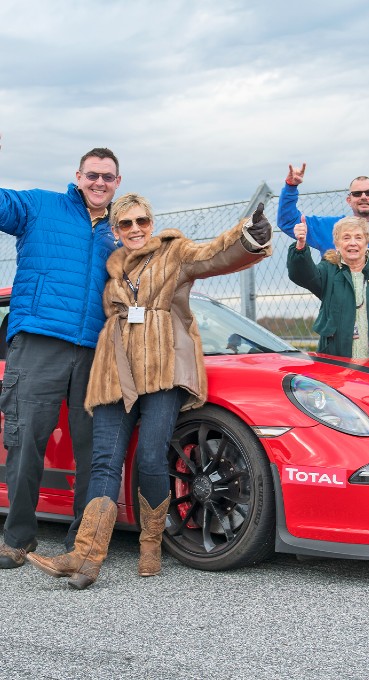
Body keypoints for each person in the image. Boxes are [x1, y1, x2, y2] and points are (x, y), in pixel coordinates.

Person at [26, 193, 272, 589]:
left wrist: (249, 237)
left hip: (162, 368)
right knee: (105, 462)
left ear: (151, 223)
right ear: (115, 230)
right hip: (115, 370)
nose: (135, 229)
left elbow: (215, 255)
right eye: (126, 224)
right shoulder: (111, 268)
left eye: (142, 221)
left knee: (151, 460)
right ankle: (86, 558)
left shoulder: (175, 253)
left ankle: (150, 548)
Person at [0, 145, 122, 569]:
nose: (99, 183)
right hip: (39, 341)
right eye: (92, 175)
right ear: (78, 176)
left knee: (93, 450)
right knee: (26, 440)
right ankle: (17, 539)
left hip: (95, 350)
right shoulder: (39, 206)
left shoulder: (121, 230)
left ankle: (79, 543)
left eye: (107, 177)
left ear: (117, 183)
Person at [287, 215, 369, 359]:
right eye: (346, 238)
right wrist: (301, 246)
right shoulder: (328, 271)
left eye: (358, 237)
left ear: (367, 242)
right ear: (337, 244)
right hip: (336, 368)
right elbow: (303, 274)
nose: (352, 243)